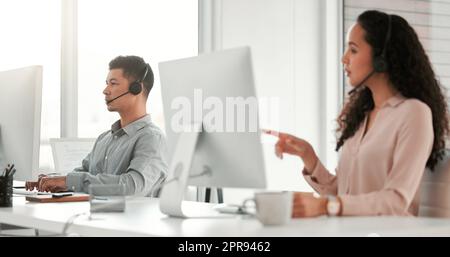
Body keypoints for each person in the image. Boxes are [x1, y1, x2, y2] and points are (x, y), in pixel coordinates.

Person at [265, 10, 449, 217]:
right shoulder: (362, 116)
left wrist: (325, 206)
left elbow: (396, 201)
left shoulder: (414, 113)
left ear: (381, 58)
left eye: (353, 50)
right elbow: (344, 194)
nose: (344, 58)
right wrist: (309, 157)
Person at [26, 56, 168, 196]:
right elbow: (82, 174)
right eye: (107, 83)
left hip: (133, 218)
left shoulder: (152, 138)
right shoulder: (104, 138)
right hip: (98, 217)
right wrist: (51, 179)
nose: (105, 90)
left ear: (136, 88)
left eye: (113, 83)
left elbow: (132, 186)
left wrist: (69, 181)